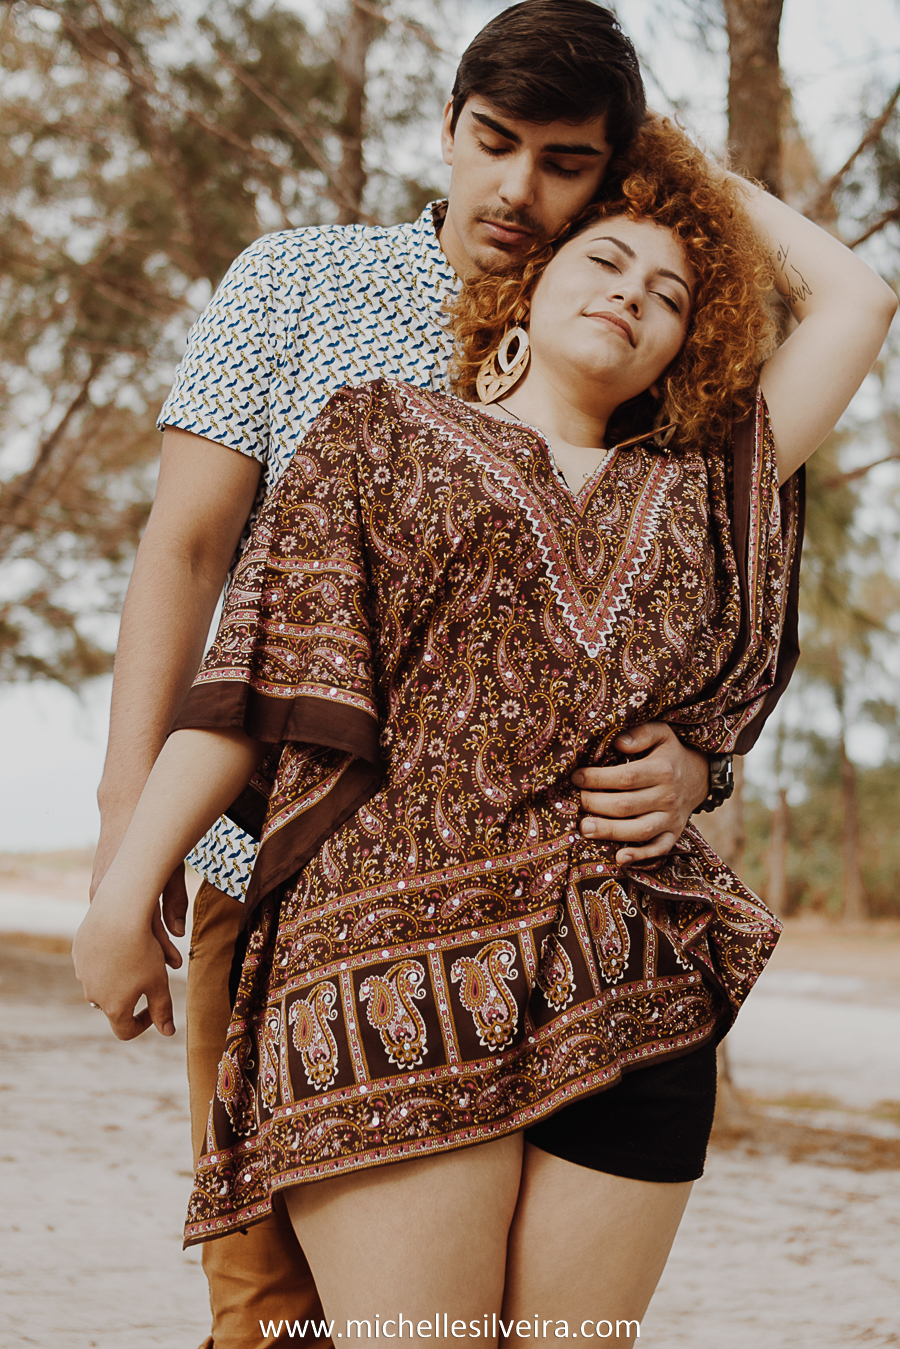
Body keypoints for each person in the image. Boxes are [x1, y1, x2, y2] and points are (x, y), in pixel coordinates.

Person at [75, 116, 896, 1347]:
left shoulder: (705, 483)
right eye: (607, 260)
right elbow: (251, 694)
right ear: (533, 277)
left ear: (688, 343)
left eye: (671, 295)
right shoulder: (375, 436)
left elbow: (858, 293)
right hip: (386, 986)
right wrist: (119, 892)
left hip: (632, 991)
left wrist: (673, 173)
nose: (634, 294)